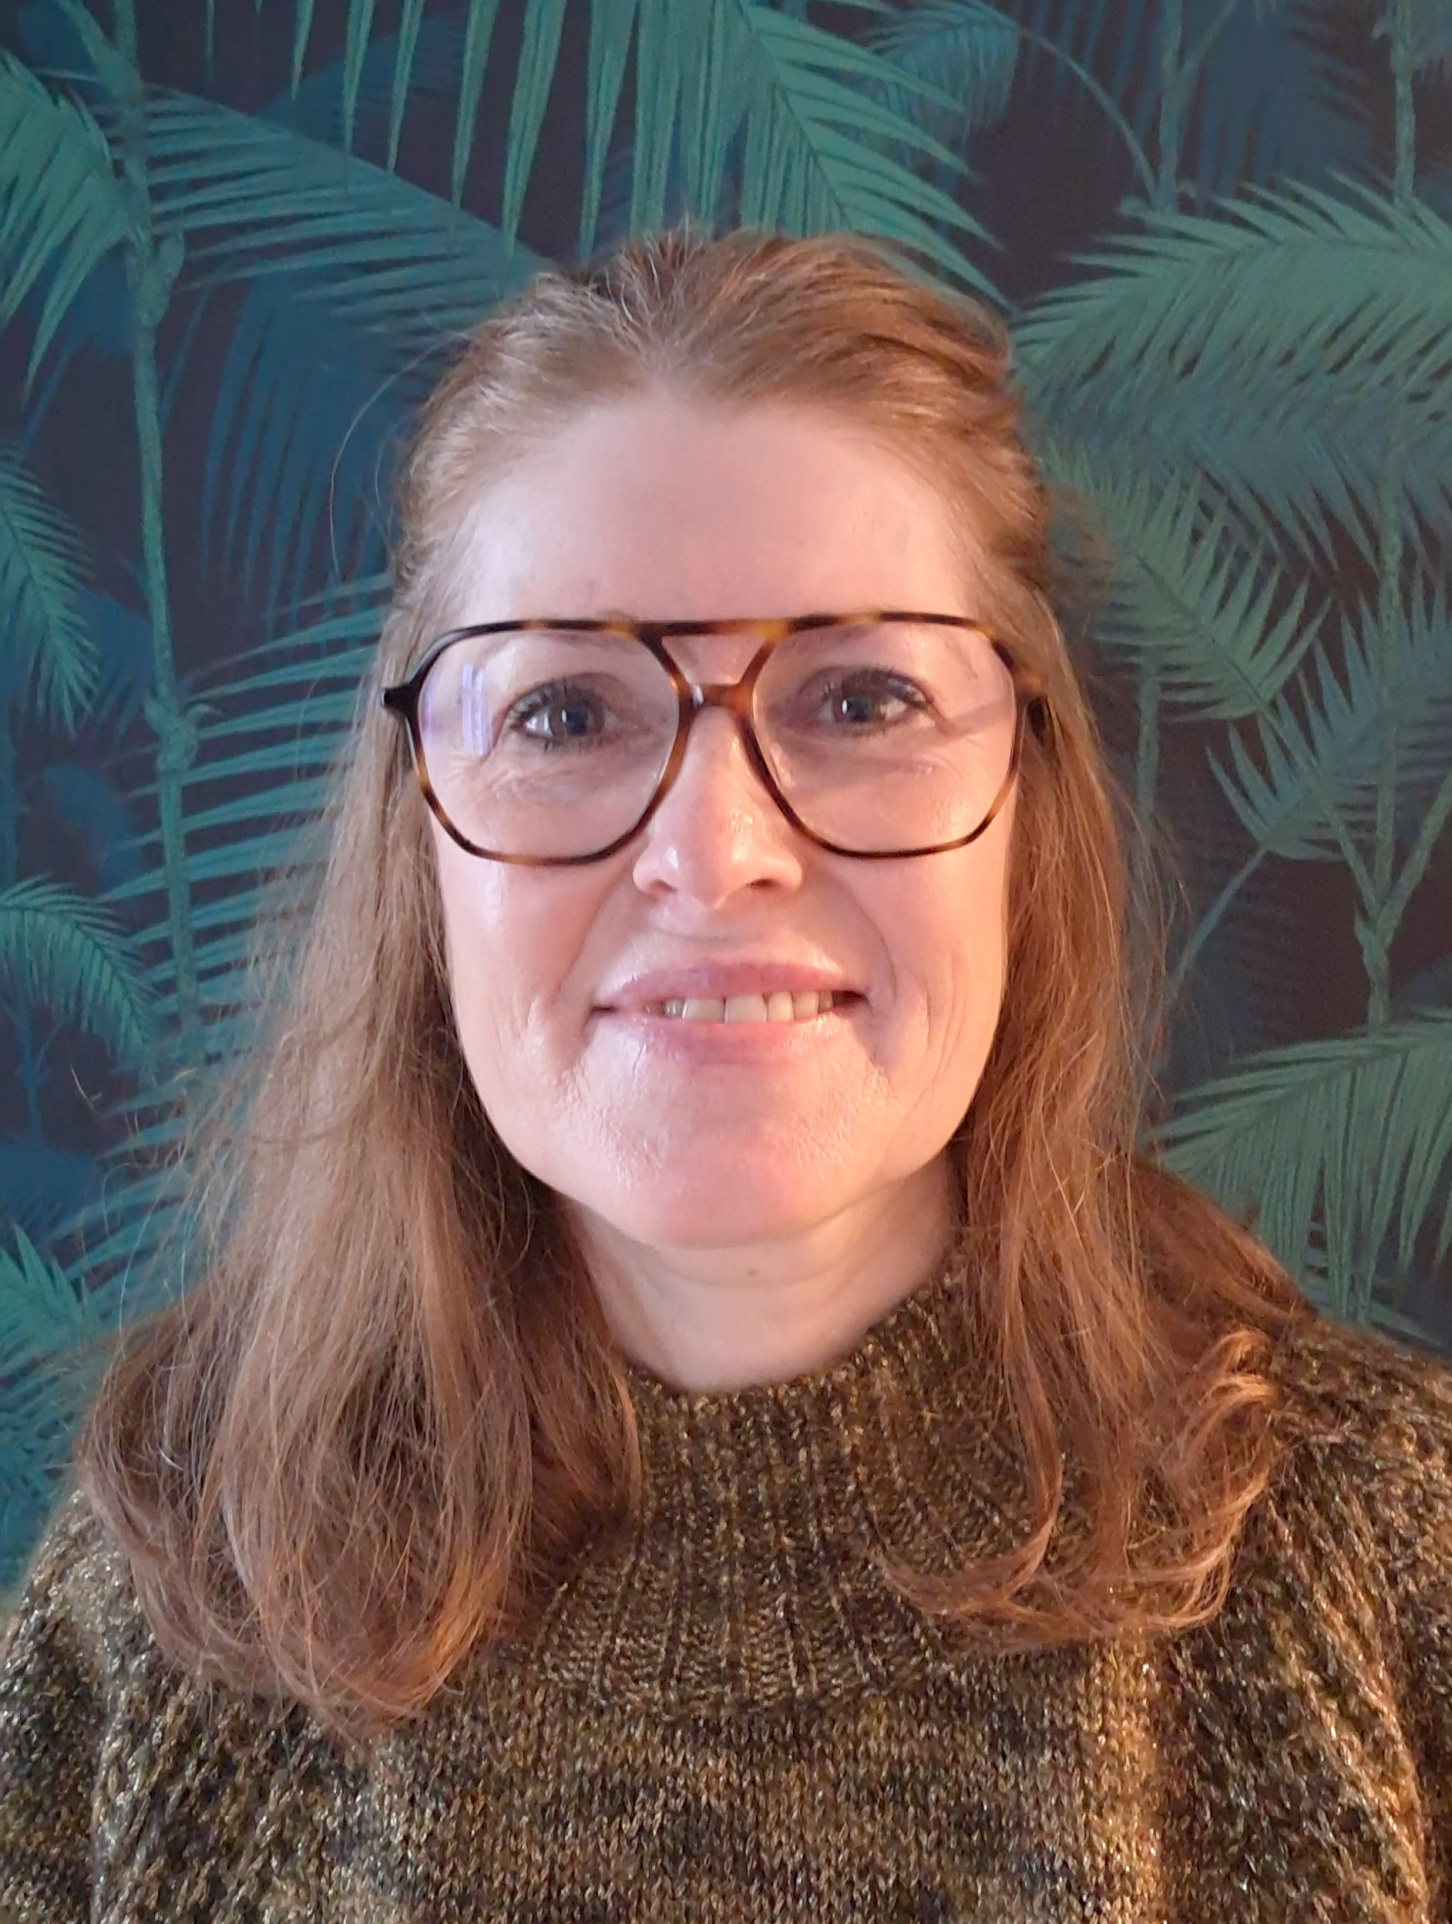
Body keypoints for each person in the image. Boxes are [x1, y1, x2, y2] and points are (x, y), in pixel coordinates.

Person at [2, 223, 1449, 1924]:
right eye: (565, 714)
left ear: (1027, 804)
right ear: (419, 843)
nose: (715, 852)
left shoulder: (1383, 1552)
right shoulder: (171, 1592)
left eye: (859, 700)